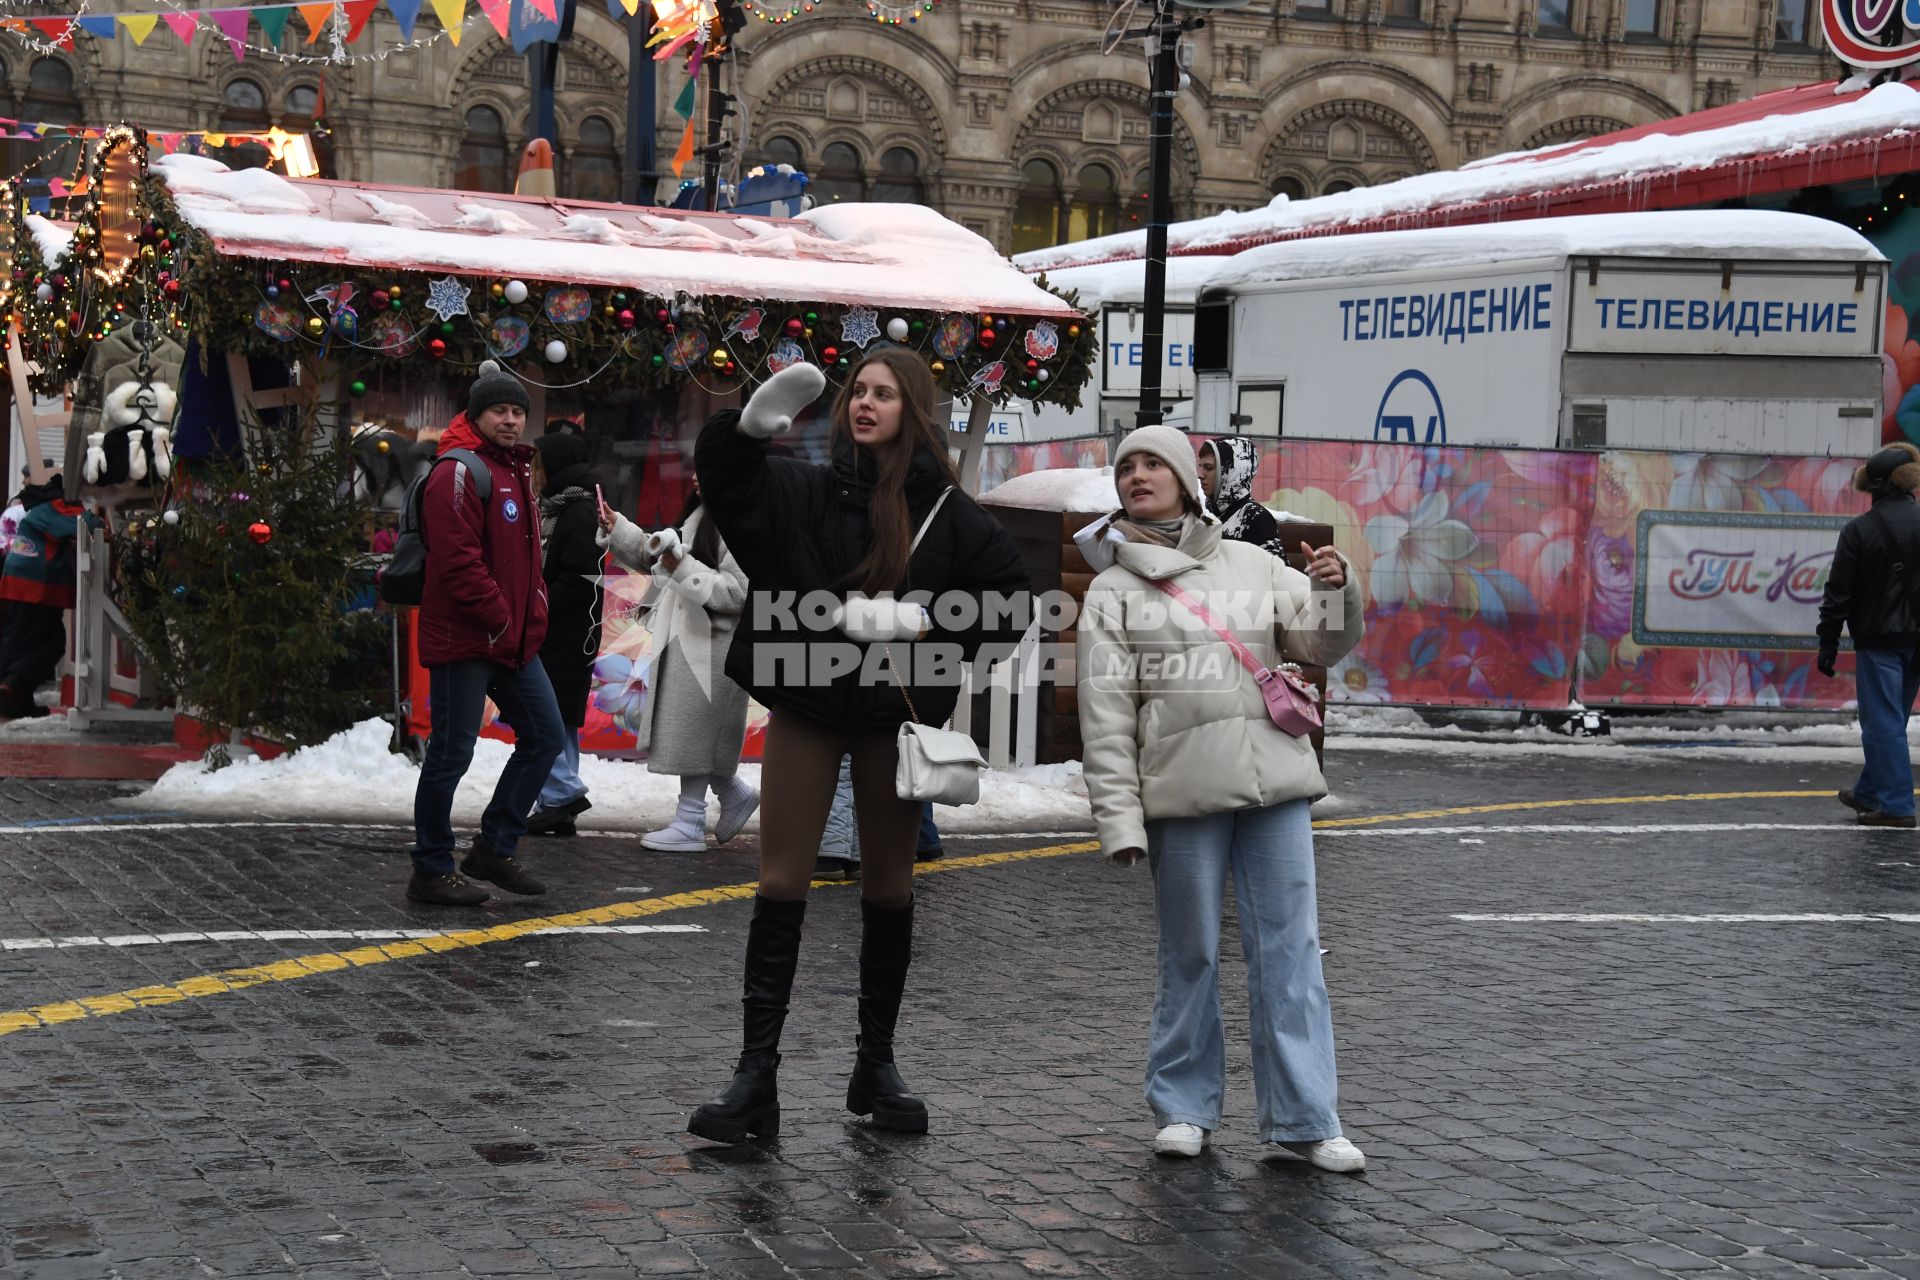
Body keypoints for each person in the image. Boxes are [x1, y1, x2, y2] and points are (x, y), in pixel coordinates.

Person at [685, 352, 1028, 1143]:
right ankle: (755, 1078)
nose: (865, 404)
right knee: (780, 881)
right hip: (806, 695)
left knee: (888, 888)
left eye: (883, 393)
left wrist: (921, 621)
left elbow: (1011, 605)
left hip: (888, 718)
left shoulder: (947, 510)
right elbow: (729, 484)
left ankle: (876, 1065)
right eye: (858, 393)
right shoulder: (804, 487)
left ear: (914, 409)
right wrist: (745, 429)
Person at [1076, 424, 1368, 1172]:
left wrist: (1336, 592)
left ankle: (1306, 1120)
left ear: (1186, 479)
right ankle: (1182, 1107)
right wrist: (1118, 818)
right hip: (1181, 794)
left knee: (1291, 951)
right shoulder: (1111, 589)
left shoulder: (1252, 562)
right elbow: (1106, 716)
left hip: (1275, 782)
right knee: (1190, 953)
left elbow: (1318, 644)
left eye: (1153, 464)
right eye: (1126, 467)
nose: (1137, 476)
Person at [406, 368, 565, 906]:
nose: (512, 420)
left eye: (519, 412)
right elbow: (457, 562)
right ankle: (430, 868)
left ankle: (494, 849)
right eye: (500, 411)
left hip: (511, 639)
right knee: (451, 753)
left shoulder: (515, 468)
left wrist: (529, 613)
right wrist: (500, 617)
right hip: (469, 637)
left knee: (546, 736)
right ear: (476, 415)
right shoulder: (458, 470)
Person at [595, 473, 758, 852]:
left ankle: (689, 821)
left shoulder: (740, 522)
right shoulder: (706, 514)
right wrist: (618, 526)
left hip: (714, 646)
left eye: (707, 465)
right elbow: (658, 559)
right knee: (694, 733)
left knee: (697, 734)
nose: (695, 476)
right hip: (693, 640)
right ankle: (730, 795)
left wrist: (681, 564)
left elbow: (738, 592)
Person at [1817, 442, 1920, 829]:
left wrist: (1828, 641)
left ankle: (1896, 806)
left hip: (1880, 642)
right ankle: (1870, 792)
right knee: (1890, 719)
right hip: (1917, 642)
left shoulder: (1859, 530)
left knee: (1882, 723)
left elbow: (1838, 593)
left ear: (1873, 486)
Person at [525, 431, 605, 838]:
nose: (532, 473)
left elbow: (577, 577)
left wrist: (535, 604)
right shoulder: (566, 508)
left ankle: (563, 793)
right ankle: (557, 804)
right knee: (560, 718)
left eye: (537, 464)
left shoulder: (574, 512)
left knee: (542, 717)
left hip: (561, 633)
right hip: (567, 631)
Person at [0, 474, 92, 720]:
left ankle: (18, 700)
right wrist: (98, 518)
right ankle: (14, 684)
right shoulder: (58, 508)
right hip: (35, 586)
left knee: (19, 641)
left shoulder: (41, 509)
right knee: (53, 642)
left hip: (21, 582)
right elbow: (84, 525)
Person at [1197, 437, 1289, 559]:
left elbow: (1276, 573)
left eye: (1208, 468)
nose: (1200, 475)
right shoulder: (1210, 515)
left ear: (1231, 472)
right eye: (1200, 466)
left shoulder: (1255, 517)